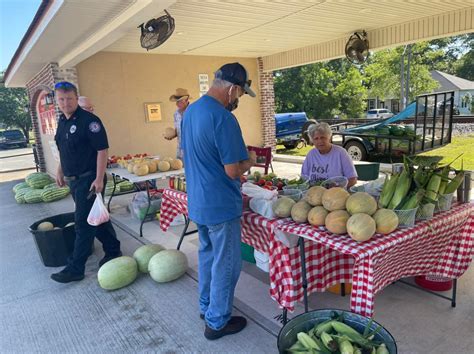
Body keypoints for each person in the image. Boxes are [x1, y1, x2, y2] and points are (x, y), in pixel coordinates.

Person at [181, 63, 257, 340]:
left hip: (198, 201)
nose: (237, 100)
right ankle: (217, 322)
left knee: (208, 257)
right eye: (239, 94)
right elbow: (233, 170)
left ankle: (207, 308)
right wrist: (250, 160)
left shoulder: (191, 111)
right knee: (226, 264)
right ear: (233, 88)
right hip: (221, 205)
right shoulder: (224, 118)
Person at [51, 81, 121, 283]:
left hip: (89, 180)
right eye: (61, 99)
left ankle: (75, 268)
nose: (65, 103)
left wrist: (99, 179)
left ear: (76, 98)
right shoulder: (62, 121)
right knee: (97, 217)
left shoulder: (90, 121)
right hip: (74, 181)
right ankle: (113, 250)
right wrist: (59, 170)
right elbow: (64, 149)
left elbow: (102, 151)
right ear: (57, 100)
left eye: (69, 99)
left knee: (83, 224)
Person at [301, 122, 358, 188]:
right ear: (312, 141)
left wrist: (338, 188)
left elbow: (353, 179)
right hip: (315, 193)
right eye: (316, 138)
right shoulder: (311, 154)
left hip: (336, 193)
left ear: (329, 138)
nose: (320, 141)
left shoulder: (341, 153)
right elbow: (304, 178)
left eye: (323, 137)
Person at [166, 88, 191, 159]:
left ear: (186, 100)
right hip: (180, 151)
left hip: (192, 150)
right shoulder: (176, 114)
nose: (177, 104)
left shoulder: (194, 112)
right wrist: (172, 135)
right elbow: (178, 130)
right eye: (176, 102)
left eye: (179, 101)